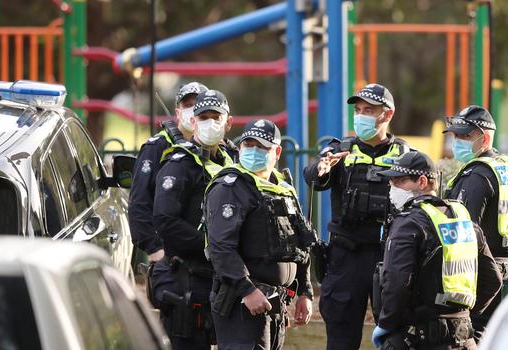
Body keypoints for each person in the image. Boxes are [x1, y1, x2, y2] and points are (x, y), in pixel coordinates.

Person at [303, 83, 411, 350]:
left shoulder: (405, 155)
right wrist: (321, 168)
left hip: (390, 256)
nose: (361, 115)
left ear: (387, 115)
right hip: (345, 257)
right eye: (359, 110)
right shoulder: (340, 149)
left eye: (369, 110)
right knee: (340, 337)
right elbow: (312, 176)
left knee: (397, 336)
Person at [372, 151, 502, 350]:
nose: (392, 188)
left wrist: (386, 324)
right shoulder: (462, 220)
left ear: (422, 181)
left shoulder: (409, 223)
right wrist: (462, 314)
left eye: (399, 182)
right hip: (463, 337)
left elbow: (397, 282)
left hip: (420, 337)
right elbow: (493, 280)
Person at [205, 119, 315, 350]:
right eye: (248, 145)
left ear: (276, 151)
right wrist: (247, 290)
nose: (253, 151)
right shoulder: (231, 186)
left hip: (275, 302)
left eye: (262, 147)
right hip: (243, 303)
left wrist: (304, 291)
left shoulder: (283, 188)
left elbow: (300, 243)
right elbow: (221, 247)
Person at [150, 89, 237, 349]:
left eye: (216, 117)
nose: (209, 123)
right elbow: (165, 220)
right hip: (189, 277)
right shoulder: (180, 163)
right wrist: (212, 245)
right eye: (203, 117)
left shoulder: (233, 163)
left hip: (226, 280)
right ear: (193, 121)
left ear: (228, 122)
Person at [442, 105, 508, 341]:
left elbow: (463, 235)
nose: (457, 141)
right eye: (456, 135)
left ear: (486, 137)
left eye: (465, 136)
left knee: (473, 337)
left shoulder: (477, 176)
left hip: (479, 276)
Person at [128, 81, 207, 263]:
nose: (193, 110)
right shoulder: (157, 147)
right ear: (178, 112)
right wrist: (154, 248)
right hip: (170, 257)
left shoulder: (217, 149)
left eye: (198, 105)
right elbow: (139, 202)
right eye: (188, 106)